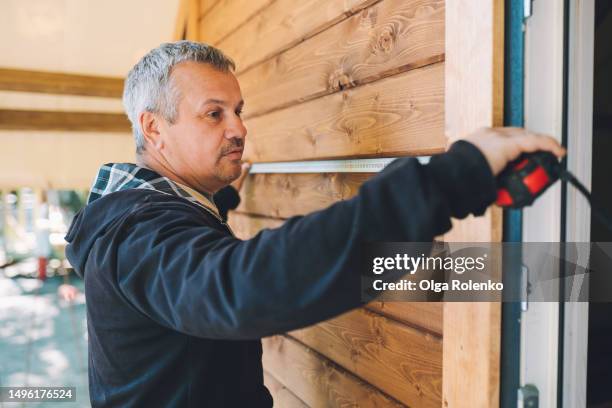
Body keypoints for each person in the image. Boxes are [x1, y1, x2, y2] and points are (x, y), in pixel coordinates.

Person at [64, 41, 565, 407]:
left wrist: (226, 192)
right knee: (570, 271)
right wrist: (453, 180)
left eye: (237, 111)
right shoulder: (134, 234)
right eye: (213, 114)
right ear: (153, 128)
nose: (239, 128)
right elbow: (240, 288)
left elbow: (193, 242)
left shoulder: (146, 210)